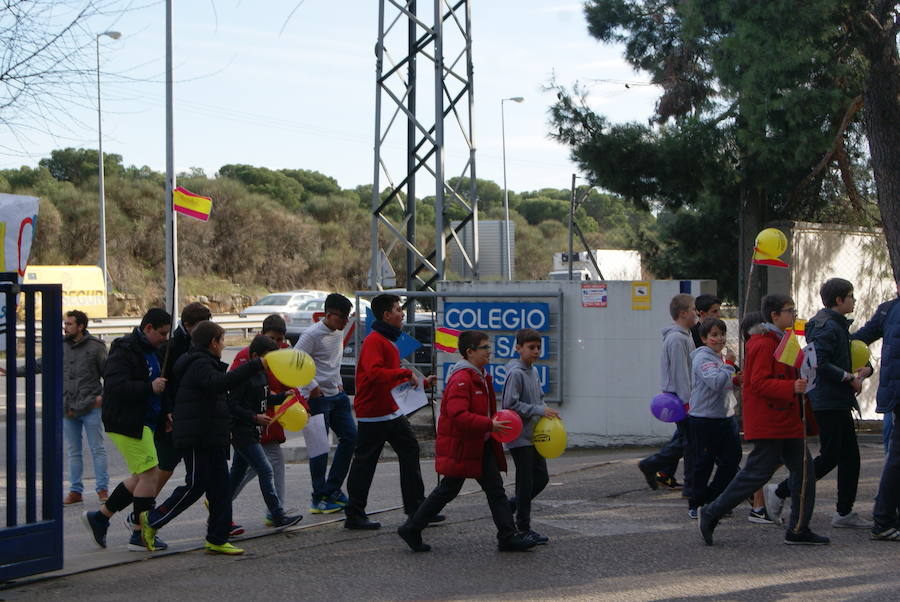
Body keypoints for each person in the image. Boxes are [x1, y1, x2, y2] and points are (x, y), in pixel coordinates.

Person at [698, 294, 828, 546]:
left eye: (793, 310)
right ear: (774, 316)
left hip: (786, 421)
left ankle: (799, 529)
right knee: (755, 475)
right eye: (789, 311)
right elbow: (757, 383)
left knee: (804, 473)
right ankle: (712, 511)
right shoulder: (762, 344)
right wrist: (792, 386)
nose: (793, 314)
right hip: (772, 422)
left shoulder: (782, 341)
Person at [398, 330, 537, 552]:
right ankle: (412, 527)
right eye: (485, 348)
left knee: (494, 490)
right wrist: (489, 425)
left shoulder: (478, 374)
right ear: (470, 352)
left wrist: (489, 426)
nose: (489, 352)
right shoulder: (462, 379)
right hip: (464, 446)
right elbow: (458, 415)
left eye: (489, 347)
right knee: (448, 490)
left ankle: (508, 536)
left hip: (479, 445)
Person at [139, 320, 268, 555]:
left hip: (212, 436)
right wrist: (254, 365)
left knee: (220, 488)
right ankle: (153, 518)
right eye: (222, 341)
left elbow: (220, 399)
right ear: (213, 342)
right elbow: (218, 384)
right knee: (196, 485)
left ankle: (217, 538)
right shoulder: (198, 363)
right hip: (197, 436)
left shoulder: (206, 362)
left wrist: (241, 421)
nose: (223, 346)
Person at [764, 278, 872, 529]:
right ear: (839, 300)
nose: (854, 301)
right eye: (851, 296)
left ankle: (844, 512)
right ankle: (780, 491)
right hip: (827, 401)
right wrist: (847, 377)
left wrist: (864, 371)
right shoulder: (827, 326)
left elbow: (842, 356)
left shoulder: (835, 325)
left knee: (849, 457)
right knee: (832, 455)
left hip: (835, 399)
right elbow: (819, 363)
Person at [343, 293, 436, 530]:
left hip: (390, 410)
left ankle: (417, 509)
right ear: (386, 315)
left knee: (410, 450)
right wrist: (406, 374)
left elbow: (393, 379)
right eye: (397, 309)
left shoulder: (390, 339)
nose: (402, 313)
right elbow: (374, 374)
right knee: (366, 461)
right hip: (373, 411)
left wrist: (422, 383)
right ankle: (354, 513)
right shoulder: (376, 341)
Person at [82, 308, 171, 551]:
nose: (165, 338)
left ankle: (100, 518)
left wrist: (164, 413)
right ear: (148, 328)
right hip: (127, 421)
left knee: (140, 477)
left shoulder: (151, 350)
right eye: (162, 333)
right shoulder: (125, 349)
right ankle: (140, 535)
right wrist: (148, 387)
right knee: (151, 475)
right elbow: (115, 387)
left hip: (144, 421)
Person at [3, 309, 110, 505]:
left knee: (97, 449)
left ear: (81, 326)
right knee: (73, 451)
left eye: (69, 324)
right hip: (67, 407)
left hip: (91, 405)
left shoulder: (96, 347)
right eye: (65, 323)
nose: (65, 327)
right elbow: (38, 365)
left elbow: (109, 375)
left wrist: (101, 398)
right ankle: (75, 491)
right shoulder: (59, 346)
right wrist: (11, 370)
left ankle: (102, 489)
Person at [227, 334, 303, 529]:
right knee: (265, 469)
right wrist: (254, 418)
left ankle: (220, 515)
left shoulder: (263, 374)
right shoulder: (243, 376)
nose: (274, 363)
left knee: (236, 476)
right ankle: (277, 515)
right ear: (255, 356)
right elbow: (232, 406)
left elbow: (265, 398)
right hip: (242, 431)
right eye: (270, 358)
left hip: (253, 431)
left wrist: (282, 397)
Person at [294, 293, 358, 514]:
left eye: (347, 319)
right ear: (328, 314)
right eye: (341, 318)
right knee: (320, 449)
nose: (344, 323)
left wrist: (338, 382)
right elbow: (295, 360)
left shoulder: (338, 331)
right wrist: (312, 386)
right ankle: (318, 497)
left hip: (337, 396)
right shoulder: (311, 334)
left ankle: (332, 489)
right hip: (317, 398)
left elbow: (332, 362)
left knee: (350, 438)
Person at [847, 286, 900, 540]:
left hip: (894, 392)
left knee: (897, 456)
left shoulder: (888, 309)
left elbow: (858, 339)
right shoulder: (890, 310)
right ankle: (884, 519)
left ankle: (886, 518)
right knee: (897, 457)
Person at [501, 328, 559, 543]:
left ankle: (513, 505)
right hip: (519, 437)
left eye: (538, 347)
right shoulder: (516, 373)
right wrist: (537, 410)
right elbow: (510, 404)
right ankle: (523, 527)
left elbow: (540, 399)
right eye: (531, 347)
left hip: (534, 435)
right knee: (525, 483)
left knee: (541, 478)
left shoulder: (533, 372)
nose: (536, 351)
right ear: (518, 348)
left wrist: (547, 411)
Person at [638, 294, 697, 490]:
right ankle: (652, 465)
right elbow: (681, 374)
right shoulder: (677, 339)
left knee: (685, 440)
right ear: (682, 313)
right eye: (693, 309)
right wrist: (688, 402)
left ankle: (656, 467)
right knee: (689, 442)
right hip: (680, 399)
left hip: (682, 398)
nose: (696, 313)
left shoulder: (683, 337)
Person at [686, 318, 740, 520]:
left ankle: (713, 499)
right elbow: (716, 382)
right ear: (704, 338)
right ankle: (696, 503)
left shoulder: (720, 357)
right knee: (704, 463)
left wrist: (735, 380)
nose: (720, 339)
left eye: (722, 334)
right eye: (714, 335)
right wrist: (729, 366)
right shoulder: (702, 359)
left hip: (726, 416)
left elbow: (725, 383)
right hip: (705, 419)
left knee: (731, 461)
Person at [154, 301, 211, 493]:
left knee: (204, 472)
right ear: (187, 325)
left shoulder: (205, 344)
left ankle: (219, 515)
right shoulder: (172, 346)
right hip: (175, 415)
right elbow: (164, 382)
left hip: (197, 415)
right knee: (166, 466)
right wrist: (168, 410)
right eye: (202, 325)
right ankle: (142, 507)